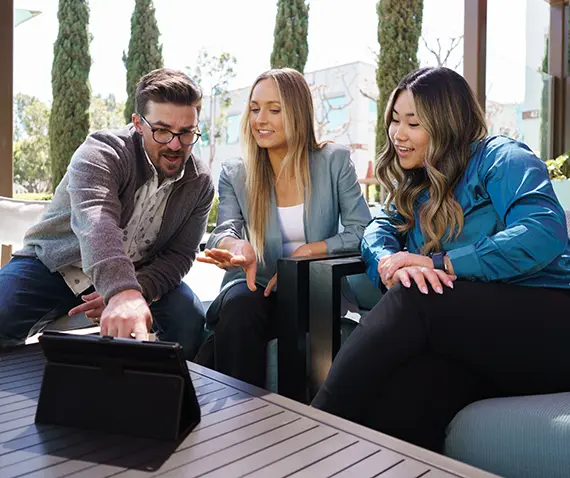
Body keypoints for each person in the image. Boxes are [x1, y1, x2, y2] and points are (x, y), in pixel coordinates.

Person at [311, 66, 570, 452]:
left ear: (448, 122)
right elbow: (375, 233)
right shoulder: (415, 184)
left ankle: (310, 429)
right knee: (406, 396)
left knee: (416, 296)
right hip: (482, 345)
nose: (398, 134)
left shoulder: (501, 157)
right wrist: (389, 263)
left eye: (413, 123)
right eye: (395, 120)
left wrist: (443, 264)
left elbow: (543, 231)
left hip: (550, 327)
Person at [0, 68, 214, 359]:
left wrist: (134, 289)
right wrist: (121, 292)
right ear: (138, 124)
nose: (175, 145)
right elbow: (96, 224)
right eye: (161, 130)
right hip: (55, 267)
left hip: (138, 276)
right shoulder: (102, 152)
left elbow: (179, 256)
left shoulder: (200, 183)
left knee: (188, 317)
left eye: (187, 132)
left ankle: (169, 397)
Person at [195, 68, 371, 387]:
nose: (261, 119)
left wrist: (308, 252)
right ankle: (237, 420)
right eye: (255, 109)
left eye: (274, 110)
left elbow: (363, 230)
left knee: (306, 317)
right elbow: (224, 230)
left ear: (298, 112)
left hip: (313, 290)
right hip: (255, 285)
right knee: (239, 310)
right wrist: (238, 247)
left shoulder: (334, 161)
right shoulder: (236, 172)